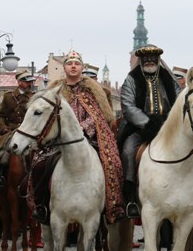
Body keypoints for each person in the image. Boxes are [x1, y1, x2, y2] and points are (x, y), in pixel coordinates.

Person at [32, 49, 125, 224]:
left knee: (113, 162)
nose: (73, 66)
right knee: (38, 165)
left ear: (81, 67)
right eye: (69, 63)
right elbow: (48, 115)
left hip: (89, 138)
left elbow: (98, 116)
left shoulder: (93, 90)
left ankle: (113, 206)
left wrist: (81, 129)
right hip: (59, 141)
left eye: (77, 64)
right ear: (64, 68)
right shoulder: (55, 90)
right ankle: (42, 205)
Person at [119, 44, 182, 218]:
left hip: (169, 127)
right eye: (145, 58)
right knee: (128, 151)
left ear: (158, 59)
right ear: (141, 60)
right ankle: (130, 197)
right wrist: (148, 124)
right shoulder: (131, 79)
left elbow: (180, 100)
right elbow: (128, 106)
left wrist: (169, 123)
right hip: (140, 128)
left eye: (153, 58)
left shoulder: (168, 78)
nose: (149, 61)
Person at [0, 69, 37, 185]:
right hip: (12, 131)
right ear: (19, 82)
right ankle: (0, 177)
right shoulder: (9, 97)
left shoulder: (34, 97)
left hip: (30, 132)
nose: (30, 84)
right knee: (2, 154)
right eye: (27, 82)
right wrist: (4, 128)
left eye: (31, 82)